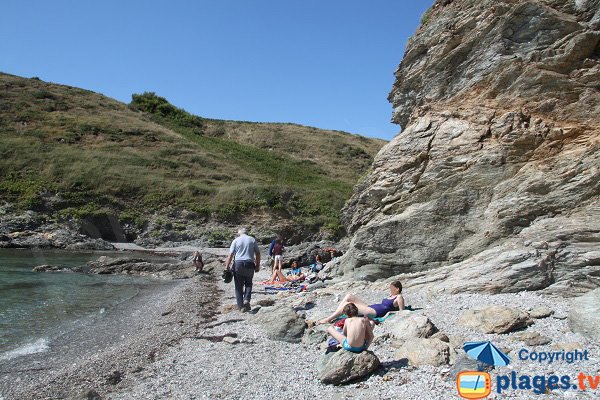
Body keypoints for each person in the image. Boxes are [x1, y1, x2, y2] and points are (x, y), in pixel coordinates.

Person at [318, 281, 404, 324]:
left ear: (397, 289)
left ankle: (329, 319)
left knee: (347, 305)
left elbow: (402, 312)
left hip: (375, 312)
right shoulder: (391, 296)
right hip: (370, 307)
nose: (390, 290)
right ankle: (337, 312)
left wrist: (389, 312)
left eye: (392, 289)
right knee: (349, 296)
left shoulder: (399, 297)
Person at [225, 227, 260, 312]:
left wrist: (226, 267)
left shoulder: (236, 240)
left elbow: (231, 255)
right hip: (250, 264)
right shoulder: (252, 240)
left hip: (238, 264)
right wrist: (258, 265)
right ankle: (247, 300)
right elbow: (258, 253)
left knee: (238, 286)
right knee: (248, 283)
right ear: (247, 233)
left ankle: (241, 306)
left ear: (239, 233)